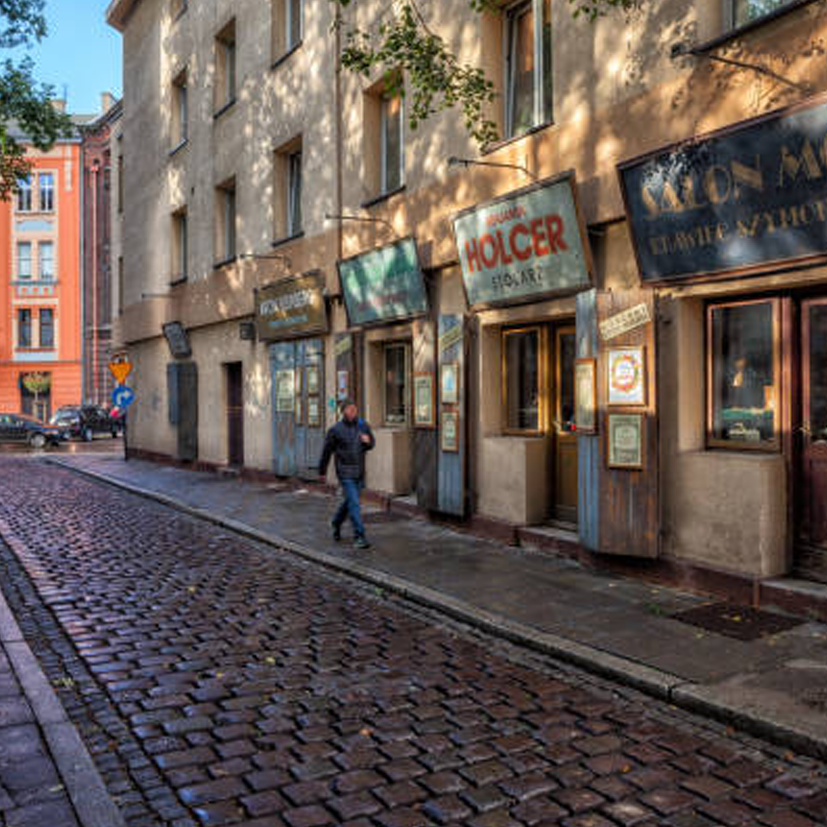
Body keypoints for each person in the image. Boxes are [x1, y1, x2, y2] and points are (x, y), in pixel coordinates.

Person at [318, 399, 375, 549]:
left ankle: (336, 522)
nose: (353, 412)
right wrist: (322, 471)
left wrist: (367, 441)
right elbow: (327, 451)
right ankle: (360, 536)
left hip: (359, 471)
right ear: (343, 411)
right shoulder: (335, 430)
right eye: (350, 409)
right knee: (355, 504)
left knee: (349, 502)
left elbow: (371, 444)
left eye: (354, 409)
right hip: (344, 472)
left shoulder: (363, 425)